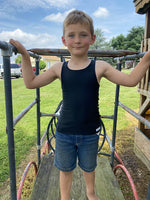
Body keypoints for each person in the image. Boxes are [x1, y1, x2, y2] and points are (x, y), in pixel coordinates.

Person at [10, 10, 150, 200]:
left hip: (90, 133)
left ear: (92, 39)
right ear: (64, 40)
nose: (77, 40)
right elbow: (30, 83)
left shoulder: (99, 66)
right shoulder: (60, 68)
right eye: (72, 35)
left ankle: (90, 194)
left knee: (89, 167)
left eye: (83, 35)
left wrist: (148, 57)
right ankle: (65, 197)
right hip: (64, 132)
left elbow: (132, 80)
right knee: (65, 169)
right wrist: (25, 57)